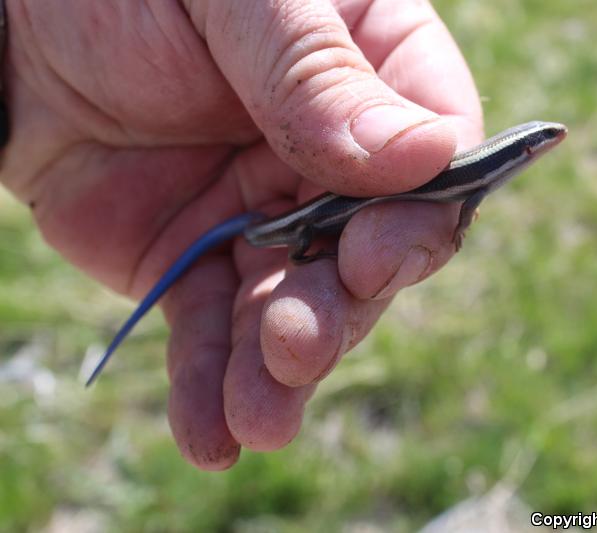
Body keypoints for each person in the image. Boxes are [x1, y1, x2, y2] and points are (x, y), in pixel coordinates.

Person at [0, 0, 483, 470]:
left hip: (289, 216)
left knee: (302, 338)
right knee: (320, 271)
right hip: (297, 226)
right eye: (543, 138)